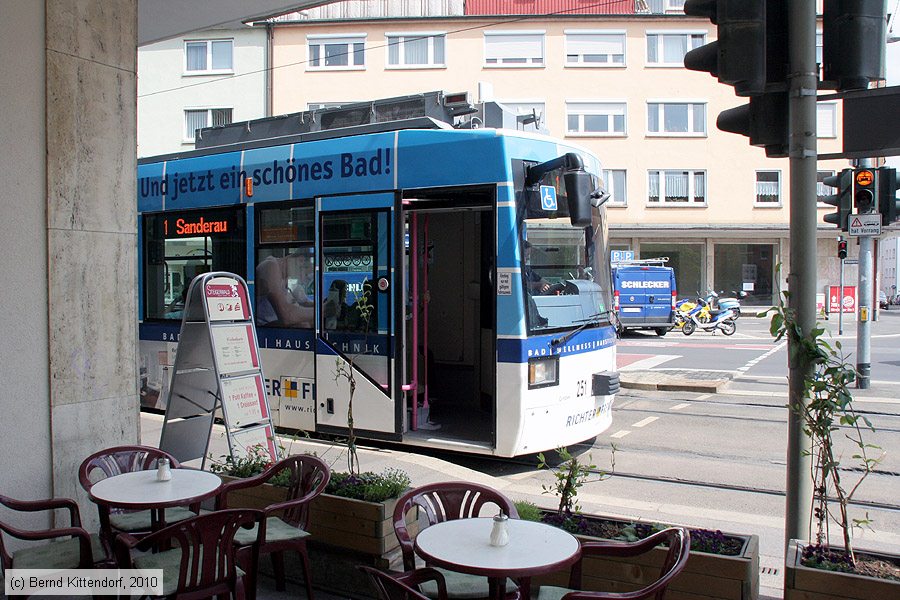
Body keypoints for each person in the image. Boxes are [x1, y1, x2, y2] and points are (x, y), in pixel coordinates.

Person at [256, 252, 315, 327]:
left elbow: (303, 302)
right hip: (263, 325)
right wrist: (324, 310)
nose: (303, 277)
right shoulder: (271, 265)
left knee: (313, 322)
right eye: (304, 273)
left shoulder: (288, 278)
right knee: (303, 325)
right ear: (300, 260)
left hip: (275, 322)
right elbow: (286, 315)